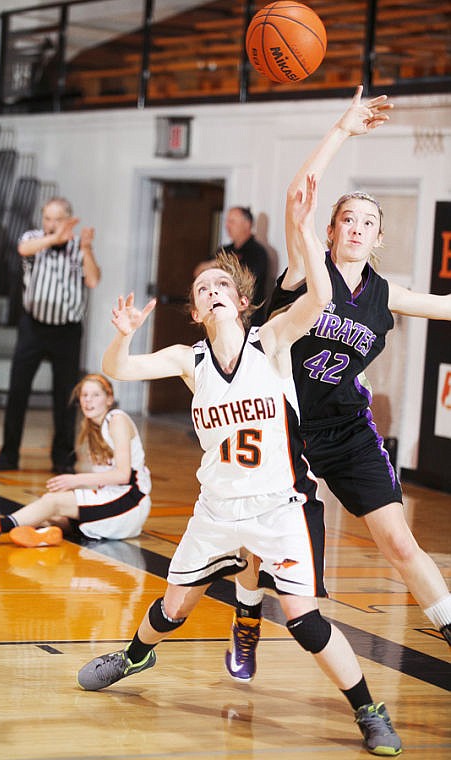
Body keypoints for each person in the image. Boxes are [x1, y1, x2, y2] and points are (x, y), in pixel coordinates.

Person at [76, 178, 402, 757]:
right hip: (217, 510)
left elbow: (321, 299)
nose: (212, 291)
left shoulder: (271, 342)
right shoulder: (187, 359)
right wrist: (120, 340)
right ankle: (133, 655)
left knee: (305, 621)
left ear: (243, 301)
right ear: (197, 311)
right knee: (173, 609)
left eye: (221, 283)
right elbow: (119, 371)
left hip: (280, 506)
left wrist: (304, 230)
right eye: (202, 289)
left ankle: (369, 711)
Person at [225, 85, 451, 685]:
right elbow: (299, 196)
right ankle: (247, 616)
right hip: (284, 427)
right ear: (330, 232)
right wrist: (342, 131)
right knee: (262, 551)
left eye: (368, 221)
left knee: (399, 541)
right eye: (347, 218)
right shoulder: (308, 268)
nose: (357, 226)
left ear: (380, 238)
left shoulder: (387, 294)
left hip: (348, 427)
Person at [0, 374, 151, 547]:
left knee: (52, 502)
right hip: (116, 498)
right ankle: (46, 535)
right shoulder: (91, 429)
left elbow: (123, 475)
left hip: (131, 501)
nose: (88, 401)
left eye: (95, 395)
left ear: (109, 399)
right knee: (50, 515)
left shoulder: (117, 420)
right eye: (84, 395)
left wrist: (75, 480)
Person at [0, 196, 101, 474]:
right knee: (18, 390)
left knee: (65, 395)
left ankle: (63, 459)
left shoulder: (78, 247)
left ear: (68, 219)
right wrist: (53, 238)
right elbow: (23, 248)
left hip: (67, 330)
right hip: (33, 327)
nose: (50, 224)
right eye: (47, 218)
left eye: (56, 219)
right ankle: (8, 455)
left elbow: (93, 279)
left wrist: (86, 248)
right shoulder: (34, 238)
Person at [195, 206, 270, 325]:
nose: (227, 225)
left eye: (232, 221)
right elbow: (199, 272)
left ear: (247, 224)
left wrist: (219, 267)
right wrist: (215, 264)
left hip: (249, 320)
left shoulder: (257, 252)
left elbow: (245, 281)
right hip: (222, 318)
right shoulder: (225, 250)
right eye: (227, 221)